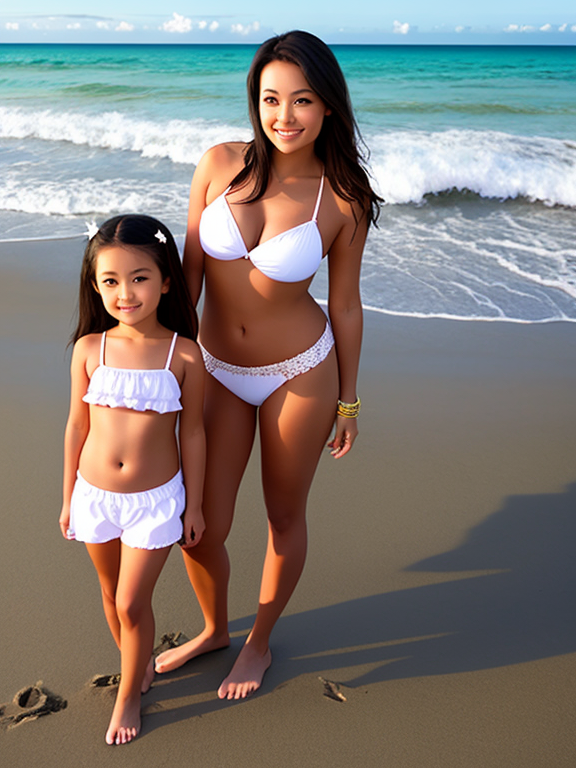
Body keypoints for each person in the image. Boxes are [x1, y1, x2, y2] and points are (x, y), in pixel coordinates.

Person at [155, 30, 381, 700]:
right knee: (198, 526)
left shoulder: (342, 198)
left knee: (284, 516)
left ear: (329, 108)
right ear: (255, 101)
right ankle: (212, 628)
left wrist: (349, 400)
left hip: (300, 373)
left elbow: (345, 306)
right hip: (217, 367)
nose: (285, 115)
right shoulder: (218, 163)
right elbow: (189, 275)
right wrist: (172, 366)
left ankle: (257, 642)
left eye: (303, 100)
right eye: (271, 98)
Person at [59, 214, 206, 745]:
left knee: (130, 601)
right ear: (95, 286)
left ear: (166, 280)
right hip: (94, 496)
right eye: (111, 281)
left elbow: (193, 435)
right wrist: (67, 498)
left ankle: (128, 695)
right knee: (108, 590)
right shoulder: (88, 349)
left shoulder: (184, 354)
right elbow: (77, 425)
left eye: (140, 278)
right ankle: (136, 663)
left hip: (155, 501)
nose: (126, 293)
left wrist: (195, 505)